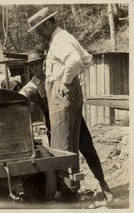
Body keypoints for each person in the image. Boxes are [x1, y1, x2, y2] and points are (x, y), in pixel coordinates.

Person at [20, 49, 113, 203]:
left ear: (45, 62)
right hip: (54, 125)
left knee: (89, 150)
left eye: (39, 63)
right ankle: (67, 192)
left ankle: (104, 184)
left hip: (75, 119)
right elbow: (21, 98)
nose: (37, 67)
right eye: (33, 65)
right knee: (60, 158)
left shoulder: (58, 76)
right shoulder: (32, 87)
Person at [27, 7, 94, 199]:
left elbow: (74, 59)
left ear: (49, 23)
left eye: (40, 30)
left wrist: (65, 82)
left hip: (60, 95)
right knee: (70, 143)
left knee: (61, 145)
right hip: (66, 94)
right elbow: (86, 60)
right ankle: (72, 187)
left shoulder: (59, 40)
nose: (39, 34)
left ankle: (67, 192)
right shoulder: (66, 37)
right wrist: (71, 79)